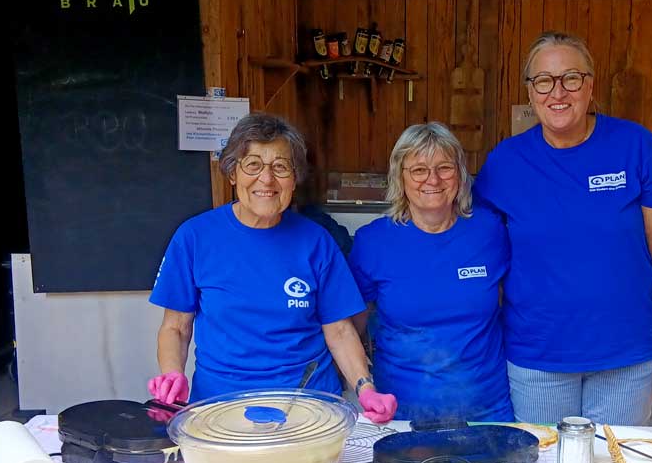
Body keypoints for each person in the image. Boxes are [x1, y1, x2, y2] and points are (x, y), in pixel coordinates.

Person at [473, 31, 652, 426]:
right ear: (530, 92)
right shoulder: (505, 163)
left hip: (626, 356)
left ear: (590, 85)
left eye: (570, 78)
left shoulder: (637, 148)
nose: (557, 92)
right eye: (544, 80)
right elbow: (477, 248)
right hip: (538, 357)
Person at [146, 112, 397, 423]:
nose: (266, 179)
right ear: (232, 173)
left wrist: (365, 388)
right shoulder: (195, 237)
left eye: (280, 167)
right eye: (253, 164)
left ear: (294, 179)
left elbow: (340, 330)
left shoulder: (316, 242)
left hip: (308, 406)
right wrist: (173, 374)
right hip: (220, 408)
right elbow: (175, 327)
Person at [349, 122, 514, 423]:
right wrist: (362, 388)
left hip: (487, 413)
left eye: (444, 168)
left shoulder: (489, 231)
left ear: (460, 174)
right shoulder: (373, 242)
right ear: (401, 176)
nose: (433, 179)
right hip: (403, 416)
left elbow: (511, 302)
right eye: (419, 170)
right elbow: (350, 328)